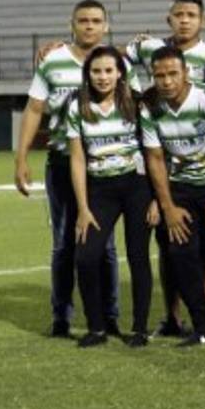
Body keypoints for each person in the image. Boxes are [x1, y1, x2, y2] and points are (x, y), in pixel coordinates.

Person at [16, 0, 120, 339]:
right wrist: (21, 158)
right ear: (71, 24)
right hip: (61, 162)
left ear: (106, 26)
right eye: (83, 20)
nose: (89, 26)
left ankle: (110, 315)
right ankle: (61, 317)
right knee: (62, 244)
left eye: (95, 20)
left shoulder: (117, 63)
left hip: (104, 166)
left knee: (105, 246)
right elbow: (34, 109)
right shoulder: (53, 61)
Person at [141, 46, 205, 350]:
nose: (166, 81)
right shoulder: (150, 106)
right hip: (181, 190)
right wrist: (168, 207)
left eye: (173, 73)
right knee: (180, 255)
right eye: (159, 75)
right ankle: (203, 327)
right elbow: (156, 159)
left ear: (186, 73)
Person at [67, 46, 153, 348]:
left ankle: (140, 329)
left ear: (120, 73)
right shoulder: (77, 105)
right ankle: (97, 327)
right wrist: (82, 208)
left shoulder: (135, 103)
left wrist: (155, 198)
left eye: (108, 71)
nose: (102, 77)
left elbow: (152, 152)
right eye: (96, 71)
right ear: (87, 74)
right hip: (99, 190)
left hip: (136, 186)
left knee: (138, 256)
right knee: (86, 257)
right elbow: (77, 159)